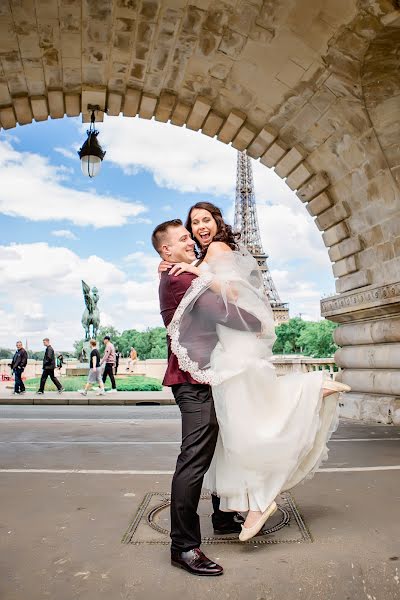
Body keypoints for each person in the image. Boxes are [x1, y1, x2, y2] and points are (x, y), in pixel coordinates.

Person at [160, 202, 350, 544]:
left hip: (221, 359)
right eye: (190, 227)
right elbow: (221, 306)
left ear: (217, 221)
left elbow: (230, 300)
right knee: (231, 433)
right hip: (201, 371)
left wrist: (195, 269)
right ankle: (188, 542)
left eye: (203, 222)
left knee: (237, 430)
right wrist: (187, 267)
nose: (196, 233)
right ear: (168, 247)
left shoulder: (205, 258)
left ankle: (230, 513)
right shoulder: (181, 271)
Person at [152, 219, 262, 577]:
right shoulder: (182, 279)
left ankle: (222, 516)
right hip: (192, 379)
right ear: (166, 249)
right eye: (183, 238)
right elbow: (226, 314)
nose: (191, 241)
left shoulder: (179, 274)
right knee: (194, 460)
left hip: (199, 376)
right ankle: (183, 546)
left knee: (214, 449)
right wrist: (258, 321)